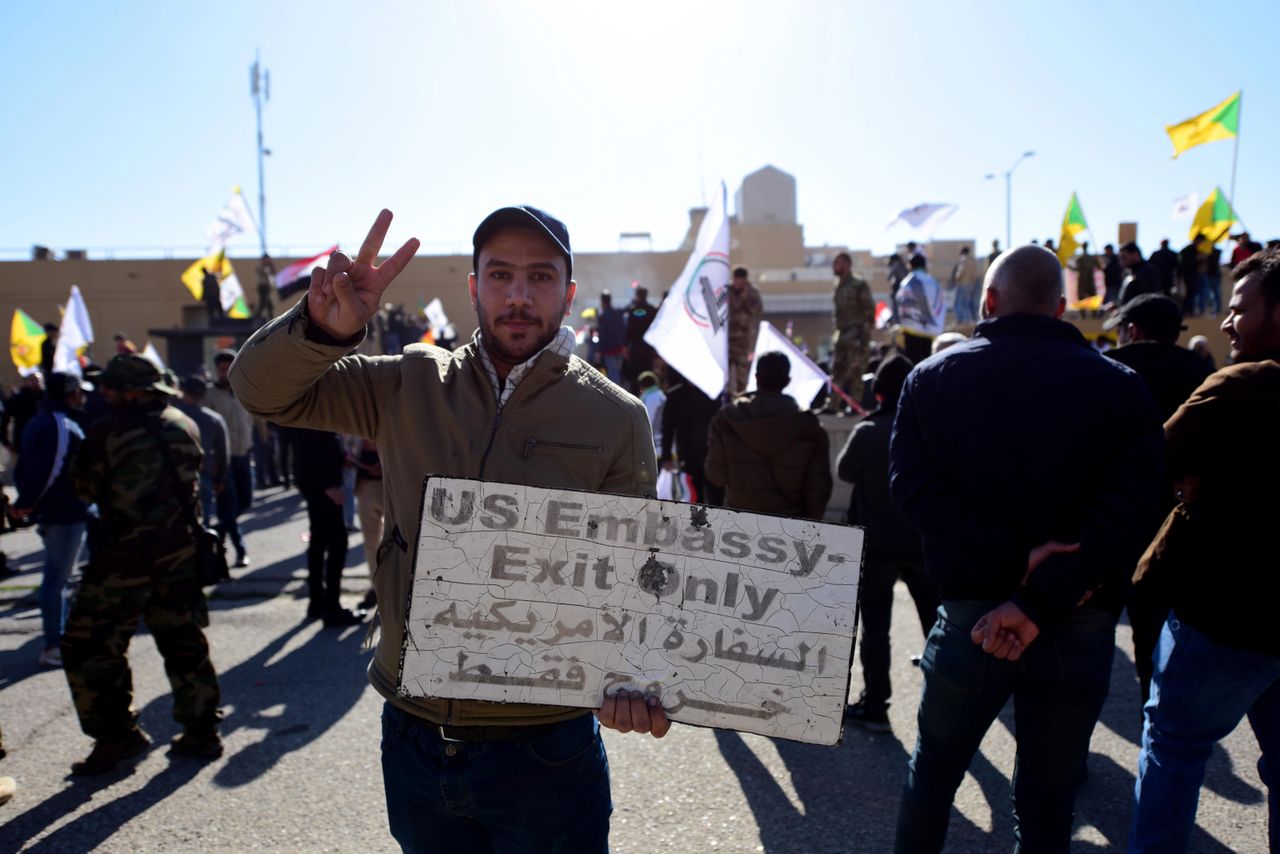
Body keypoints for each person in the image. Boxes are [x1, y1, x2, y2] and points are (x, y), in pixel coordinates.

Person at [230, 206, 668, 851]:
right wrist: (319, 330)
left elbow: (638, 574)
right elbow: (262, 393)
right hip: (413, 739)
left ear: (568, 294)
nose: (519, 295)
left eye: (541, 277)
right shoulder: (407, 381)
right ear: (473, 288)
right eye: (500, 275)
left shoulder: (616, 416)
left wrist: (637, 678)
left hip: (546, 750)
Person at [889, 245, 1166, 852]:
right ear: (1062, 308)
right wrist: (1039, 594)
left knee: (932, 780)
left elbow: (911, 491)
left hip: (972, 621)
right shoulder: (1118, 386)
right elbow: (1135, 511)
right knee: (1047, 805)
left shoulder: (931, 378)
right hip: (1077, 617)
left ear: (988, 302)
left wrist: (1014, 566)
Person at [1128, 246, 1280, 853]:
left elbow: (1149, 463)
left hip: (1225, 616)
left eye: (1240, 308)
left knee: (1173, 749)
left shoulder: (1245, 385)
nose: (1226, 321)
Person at [61, 354, 222, 775]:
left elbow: (82, 489)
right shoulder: (183, 423)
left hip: (123, 561)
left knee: (89, 645)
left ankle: (117, 736)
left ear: (130, 392)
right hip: (180, 555)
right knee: (184, 641)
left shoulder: (108, 431)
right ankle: (202, 731)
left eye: (110, 388)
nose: (104, 394)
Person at [1103, 294, 1212, 705]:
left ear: (1131, 329)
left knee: (1092, 631)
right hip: (1184, 520)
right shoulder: (1202, 371)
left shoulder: (1108, 367)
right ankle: (1159, 712)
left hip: (1113, 521)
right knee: (1167, 630)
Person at [837, 354, 937, 732]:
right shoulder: (926, 428)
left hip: (876, 543)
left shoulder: (868, 431)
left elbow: (845, 471)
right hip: (922, 541)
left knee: (876, 628)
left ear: (877, 391)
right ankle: (948, 696)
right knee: (936, 622)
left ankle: (876, 703)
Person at [12, 373, 92, 668]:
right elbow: (50, 469)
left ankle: (59, 638)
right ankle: (53, 644)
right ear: (71, 393)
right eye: (80, 391)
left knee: (59, 578)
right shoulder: (59, 423)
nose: (83, 397)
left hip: (61, 511)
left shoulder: (43, 419)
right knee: (57, 579)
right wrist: (27, 503)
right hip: (63, 513)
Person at [704, 352, 832, 520]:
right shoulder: (810, 427)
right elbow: (819, 488)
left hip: (738, 524)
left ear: (756, 377)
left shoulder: (726, 420)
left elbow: (716, 476)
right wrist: (812, 527)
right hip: (790, 526)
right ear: (787, 381)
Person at [292, 428, 363, 627]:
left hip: (317, 486)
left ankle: (317, 602)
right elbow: (311, 453)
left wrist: (341, 458)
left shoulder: (310, 412)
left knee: (319, 542)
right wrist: (327, 486)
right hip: (323, 489)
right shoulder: (314, 414)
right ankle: (331, 607)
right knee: (337, 543)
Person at [206, 349, 254, 568]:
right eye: (222, 369)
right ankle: (240, 550)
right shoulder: (210, 395)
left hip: (244, 455)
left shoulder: (243, 390)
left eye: (228, 368)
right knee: (229, 506)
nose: (225, 373)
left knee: (245, 502)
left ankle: (217, 532)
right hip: (224, 460)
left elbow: (250, 420)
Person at [173, 375, 229, 528]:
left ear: (183, 392)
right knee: (203, 520)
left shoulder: (173, 418)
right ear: (204, 395)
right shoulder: (214, 419)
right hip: (204, 472)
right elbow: (222, 453)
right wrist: (220, 478)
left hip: (175, 475)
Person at [659, 368, 719, 505]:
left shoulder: (713, 394)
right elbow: (667, 429)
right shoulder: (675, 396)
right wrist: (666, 457)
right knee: (693, 499)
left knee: (715, 501)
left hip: (713, 455)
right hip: (688, 457)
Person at [829, 252, 874, 409]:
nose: (834, 265)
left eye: (837, 262)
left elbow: (870, 310)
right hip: (841, 334)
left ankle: (855, 406)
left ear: (847, 264)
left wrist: (864, 335)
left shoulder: (858, 284)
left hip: (856, 334)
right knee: (837, 370)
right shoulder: (838, 284)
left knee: (855, 371)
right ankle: (832, 405)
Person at [896, 254, 945, 363]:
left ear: (910, 265)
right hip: (932, 332)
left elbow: (902, 303)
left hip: (912, 332)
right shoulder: (934, 282)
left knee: (913, 366)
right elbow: (941, 305)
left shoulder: (908, 282)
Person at [353, 437, 383, 611]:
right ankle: (376, 587)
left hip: (389, 484)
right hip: (365, 485)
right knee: (371, 544)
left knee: (399, 541)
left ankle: (397, 587)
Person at [726, 267, 764, 396]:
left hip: (743, 340)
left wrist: (746, 297)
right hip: (727, 339)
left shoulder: (753, 293)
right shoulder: (727, 292)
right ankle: (726, 396)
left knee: (742, 373)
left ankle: (742, 396)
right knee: (725, 372)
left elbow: (757, 312)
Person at [2, 373, 44, 458]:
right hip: (23, 444)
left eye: (38, 380)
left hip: (44, 443)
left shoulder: (47, 399)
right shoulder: (16, 400)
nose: (36, 382)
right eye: (32, 380)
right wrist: (5, 442)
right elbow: (4, 421)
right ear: (26, 382)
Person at [624, 284, 658, 390]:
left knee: (635, 375)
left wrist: (625, 346)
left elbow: (628, 329)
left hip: (635, 347)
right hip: (648, 347)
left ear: (637, 295)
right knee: (648, 372)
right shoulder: (652, 310)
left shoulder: (632, 310)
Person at [596, 290, 628, 385]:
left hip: (609, 349)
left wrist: (599, 350)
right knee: (617, 372)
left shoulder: (602, 316)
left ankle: (616, 397)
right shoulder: (618, 313)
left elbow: (602, 335)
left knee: (613, 374)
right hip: (619, 348)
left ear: (602, 301)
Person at [635, 371, 665, 455]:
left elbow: (647, 420)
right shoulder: (662, 395)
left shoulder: (646, 398)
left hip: (653, 444)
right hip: (665, 442)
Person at [950, 246, 979, 325]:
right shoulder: (973, 261)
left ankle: (960, 320)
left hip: (962, 283)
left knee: (958, 302)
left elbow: (961, 271)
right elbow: (975, 274)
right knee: (966, 303)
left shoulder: (964, 259)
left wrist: (956, 278)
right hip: (970, 284)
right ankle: (967, 320)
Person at [1179, 235, 1206, 315]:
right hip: (1188, 275)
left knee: (1192, 293)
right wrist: (1199, 259)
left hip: (1191, 274)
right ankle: (1187, 310)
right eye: (1201, 241)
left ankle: (1189, 310)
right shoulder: (1188, 250)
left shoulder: (1194, 249)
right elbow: (1188, 262)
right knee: (1190, 292)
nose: (1201, 243)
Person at [254, 254, 276, 321]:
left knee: (268, 305)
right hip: (262, 287)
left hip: (267, 287)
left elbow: (274, 272)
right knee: (263, 303)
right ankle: (256, 318)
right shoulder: (260, 266)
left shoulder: (269, 267)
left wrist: (270, 264)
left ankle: (270, 318)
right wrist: (264, 264)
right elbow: (261, 271)